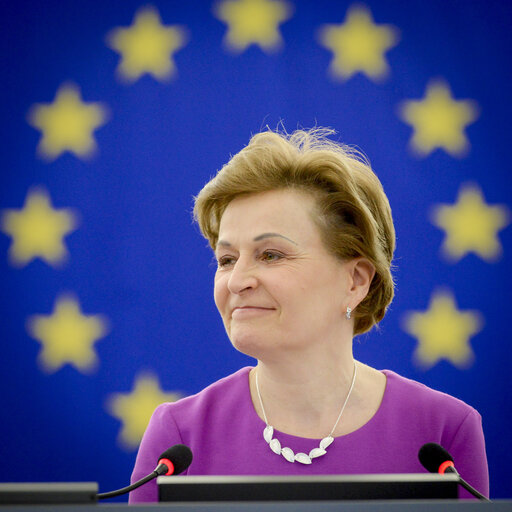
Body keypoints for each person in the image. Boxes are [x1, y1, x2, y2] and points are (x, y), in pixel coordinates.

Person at [129, 127, 488, 502]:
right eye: (226, 259)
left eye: (271, 255)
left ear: (355, 281)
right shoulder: (178, 438)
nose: (236, 281)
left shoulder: (444, 433)